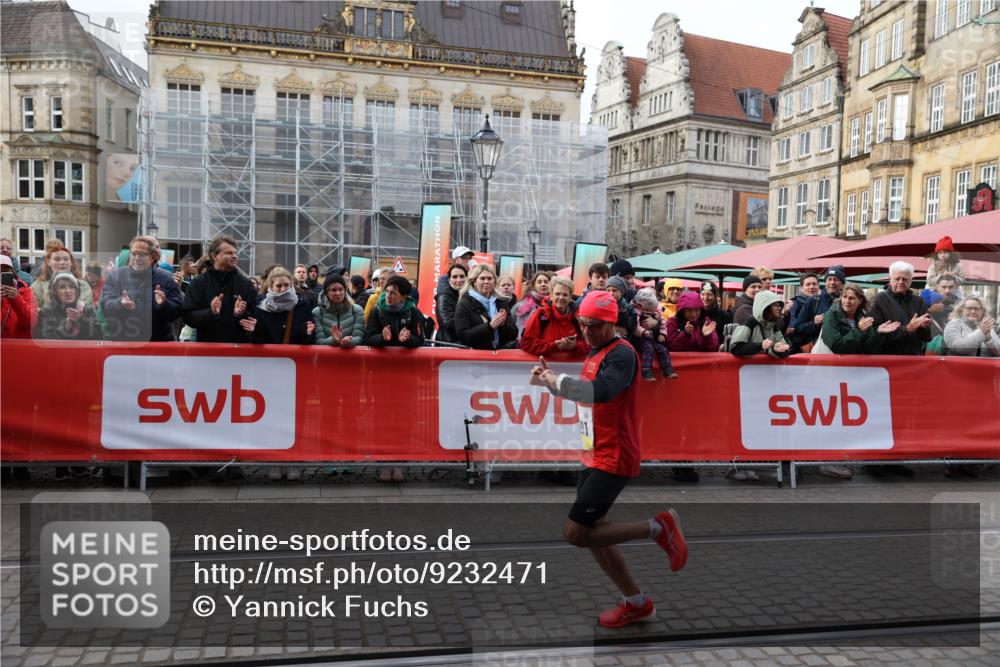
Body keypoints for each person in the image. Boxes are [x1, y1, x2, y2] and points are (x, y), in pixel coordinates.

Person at [528, 290, 688, 628]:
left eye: (595, 326)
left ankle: (659, 528)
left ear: (612, 323)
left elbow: (601, 392)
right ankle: (638, 603)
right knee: (592, 532)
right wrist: (549, 383)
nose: (586, 332)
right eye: (583, 325)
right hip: (594, 452)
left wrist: (558, 380)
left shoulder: (622, 355)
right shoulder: (597, 350)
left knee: (575, 533)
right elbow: (587, 394)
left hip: (614, 456)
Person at [100, 236, 183, 342]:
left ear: (152, 257)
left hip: (157, 344)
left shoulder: (166, 278)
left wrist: (164, 304)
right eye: (134, 254)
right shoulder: (115, 276)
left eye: (142, 254)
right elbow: (105, 306)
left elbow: (177, 311)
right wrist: (119, 303)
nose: (137, 258)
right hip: (124, 343)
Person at [181, 235, 258, 343]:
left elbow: (255, 317)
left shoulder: (245, 284)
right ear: (214, 256)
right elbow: (188, 316)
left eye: (235, 253)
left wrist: (241, 314)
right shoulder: (199, 283)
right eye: (229, 253)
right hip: (207, 350)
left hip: (238, 350)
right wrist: (210, 313)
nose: (234, 256)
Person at [870, 261, 931, 356]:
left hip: (913, 358)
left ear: (911, 280)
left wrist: (924, 327)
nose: (901, 282)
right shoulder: (879, 300)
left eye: (905, 279)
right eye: (897, 279)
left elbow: (928, 337)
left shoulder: (919, 301)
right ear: (890, 279)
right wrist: (906, 329)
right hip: (888, 359)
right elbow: (873, 334)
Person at [454, 264, 518, 350]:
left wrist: (504, 325)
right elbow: (463, 336)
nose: (486, 281)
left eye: (489, 278)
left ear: (494, 282)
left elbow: (513, 334)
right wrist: (489, 327)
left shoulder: (501, 302)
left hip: (499, 355)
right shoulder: (465, 303)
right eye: (482, 278)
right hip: (476, 357)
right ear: (475, 282)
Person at [520, 276, 589, 356]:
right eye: (557, 294)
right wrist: (553, 346)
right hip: (545, 365)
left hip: (571, 367)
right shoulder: (541, 314)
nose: (561, 297)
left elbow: (590, 344)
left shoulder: (578, 316)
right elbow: (526, 343)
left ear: (570, 297)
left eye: (565, 295)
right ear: (551, 296)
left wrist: (575, 346)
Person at [250, 266, 316, 346]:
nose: (283, 289)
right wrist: (256, 331)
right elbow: (256, 341)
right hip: (268, 356)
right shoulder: (260, 304)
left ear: (291, 284)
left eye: (286, 285)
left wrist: (306, 333)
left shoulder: (303, 304)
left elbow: (310, 340)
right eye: (279, 286)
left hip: (293, 356)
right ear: (271, 286)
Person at [791, 265, 845, 349]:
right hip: (817, 351)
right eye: (829, 279)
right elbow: (798, 328)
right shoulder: (814, 300)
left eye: (836, 279)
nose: (832, 282)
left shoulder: (847, 301)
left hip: (840, 350)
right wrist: (814, 323)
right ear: (825, 282)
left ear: (842, 283)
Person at [364, 275, 426, 348]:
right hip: (382, 358)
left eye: (393, 293)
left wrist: (407, 339)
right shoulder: (377, 310)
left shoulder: (413, 312)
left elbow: (420, 340)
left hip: (405, 358)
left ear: (404, 297)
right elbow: (368, 339)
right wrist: (382, 338)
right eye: (387, 291)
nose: (388, 296)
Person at [35, 272, 101, 340]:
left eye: (71, 286)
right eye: (62, 287)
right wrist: (66, 327)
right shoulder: (46, 312)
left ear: (76, 290)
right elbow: (45, 342)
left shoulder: (87, 309)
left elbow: (97, 338)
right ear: (54, 291)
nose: (68, 291)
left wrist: (82, 321)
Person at [729, 290, 792, 360]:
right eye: (775, 305)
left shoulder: (773, 325)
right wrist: (760, 345)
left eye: (779, 305)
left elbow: (786, 351)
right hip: (748, 369)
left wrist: (775, 350)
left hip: (766, 369)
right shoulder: (749, 323)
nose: (779, 308)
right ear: (765, 306)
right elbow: (735, 348)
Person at [630, 288, 677, 380]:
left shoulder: (656, 312)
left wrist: (662, 334)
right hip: (640, 339)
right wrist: (643, 332)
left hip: (652, 338)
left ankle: (667, 369)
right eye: (649, 307)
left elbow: (663, 321)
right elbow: (635, 326)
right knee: (648, 348)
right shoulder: (636, 313)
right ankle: (646, 370)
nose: (651, 309)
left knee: (662, 349)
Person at [31, 244, 93, 310]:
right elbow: (32, 308)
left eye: (66, 259)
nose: (62, 262)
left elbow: (81, 308)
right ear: (49, 262)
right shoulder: (38, 285)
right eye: (57, 259)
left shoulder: (82, 285)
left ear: (71, 262)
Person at [313, 274, 365, 348]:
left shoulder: (356, 310)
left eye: (341, 289)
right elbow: (319, 341)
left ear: (345, 290)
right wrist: (333, 340)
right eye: (334, 290)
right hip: (326, 358)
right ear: (326, 293)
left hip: (351, 357)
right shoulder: (317, 312)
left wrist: (349, 341)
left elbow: (359, 337)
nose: (338, 293)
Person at [1, 254, 37, 339]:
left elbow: (32, 322)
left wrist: (16, 299)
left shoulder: (26, 291)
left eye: (5, 270)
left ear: (12, 273)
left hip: (19, 346)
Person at [434, 263, 467, 344]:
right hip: (448, 344)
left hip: (465, 343)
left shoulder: (469, 295)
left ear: (467, 278)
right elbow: (448, 324)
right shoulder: (444, 297)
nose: (459, 280)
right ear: (449, 280)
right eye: (455, 277)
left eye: (462, 276)